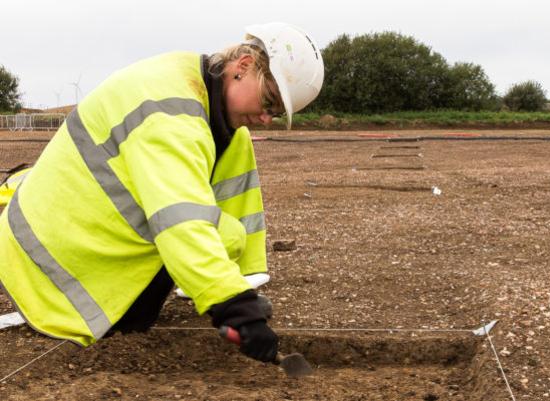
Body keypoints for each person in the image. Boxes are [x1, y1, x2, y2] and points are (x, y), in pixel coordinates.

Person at [0, 22, 324, 363]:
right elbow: (181, 219)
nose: (266, 118)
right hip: (54, 271)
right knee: (206, 233)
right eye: (269, 102)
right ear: (243, 66)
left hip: (75, 235)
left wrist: (239, 289)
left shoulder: (199, 87)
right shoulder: (170, 114)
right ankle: (117, 311)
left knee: (228, 230)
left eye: (275, 113)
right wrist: (232, 305)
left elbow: (233, 201)